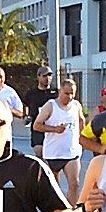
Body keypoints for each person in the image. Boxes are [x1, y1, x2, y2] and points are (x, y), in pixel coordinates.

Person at [34, 76, 86, 204]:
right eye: (66, 93)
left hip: (71, 152)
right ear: (60, 91)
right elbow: (37, 125)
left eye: (72, 94)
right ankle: (57, 211)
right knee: (54, 188)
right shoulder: (50, 106)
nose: (69, 97)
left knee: (75, 184)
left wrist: (82, 138)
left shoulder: (76, 105)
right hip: (53, 153)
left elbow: (81, 120)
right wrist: (54, 129)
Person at [22, 67, 56, 162]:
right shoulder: (32, 93)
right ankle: (40, 172)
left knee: (52, 158)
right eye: (44, 75)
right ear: (38, 77)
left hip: (52, 127)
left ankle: (51, 174)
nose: (47, 78)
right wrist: (26, 116)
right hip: (37, 127)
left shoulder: (55, 93)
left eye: (50, 75)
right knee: (39, 152)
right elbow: (25, 104)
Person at [0, 67, 25, 131]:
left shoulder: (10, 92)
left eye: (0, 77)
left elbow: (20, 113)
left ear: (4, 78)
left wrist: (7, 109)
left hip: (5, 131)